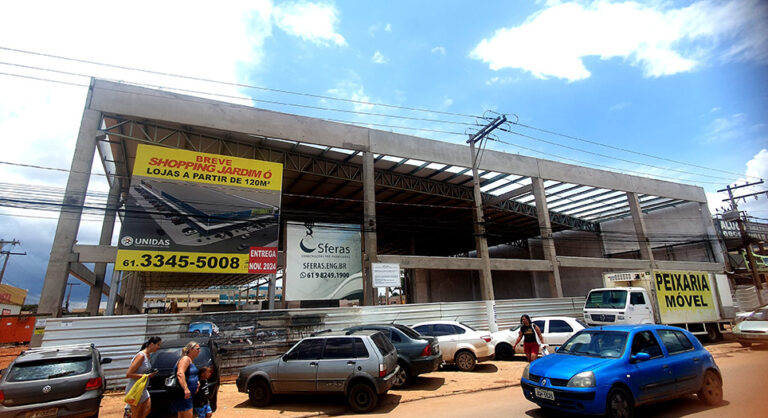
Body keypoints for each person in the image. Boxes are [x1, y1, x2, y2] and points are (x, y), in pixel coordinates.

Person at [125, 336, 162, 418]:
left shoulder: (148, 356)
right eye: (158, 345)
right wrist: (146, 376)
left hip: (143, 389)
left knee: (146, 410)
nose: (158, 347)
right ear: (151, 344)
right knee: (136, 414)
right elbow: (128, 374)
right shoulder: (141, 356)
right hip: (135, 389)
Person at [170, 341, 201, 418]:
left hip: (189, 395)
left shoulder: (190, 360)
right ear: (190, 349)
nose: (199, 351)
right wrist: (186, 389)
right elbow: (180, 373)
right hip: (185, 394)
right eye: (197, 349)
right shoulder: (185, 359)